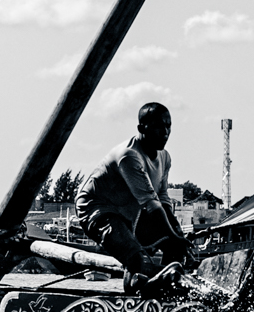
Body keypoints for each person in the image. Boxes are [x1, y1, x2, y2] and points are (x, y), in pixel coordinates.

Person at [76, 101, 190, 284]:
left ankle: (166, 289)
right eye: (158, 127)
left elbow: (162, 199)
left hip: (130, 212)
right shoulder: (129, 156)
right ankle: (141, 289)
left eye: (168, 126)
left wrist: (177, 235)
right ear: (141, 128)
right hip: (97, 211)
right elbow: (152, 206)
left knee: (176, 249)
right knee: (138, 260)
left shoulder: (165, 157)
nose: (165, 132)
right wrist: (173, 237)